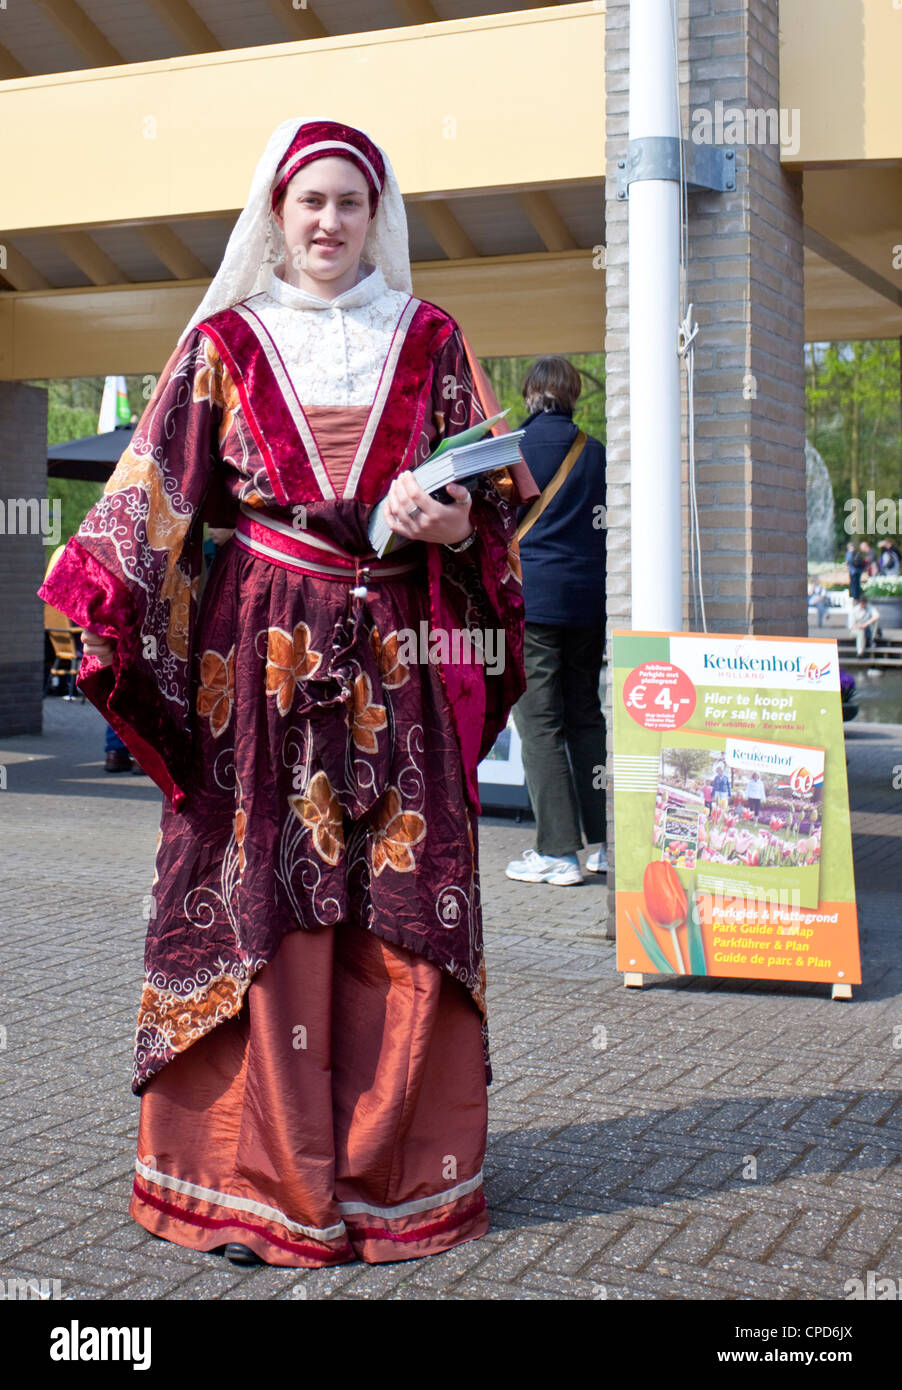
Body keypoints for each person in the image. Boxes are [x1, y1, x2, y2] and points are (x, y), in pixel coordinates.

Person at [37, 117, 537, 1269]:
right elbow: (160, 484)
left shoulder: (433, 339)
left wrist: (452, 520)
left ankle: (392, 1178)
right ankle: (254, 1176)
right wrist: (93, 584)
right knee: (258, 887)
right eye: (307, 201)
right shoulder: (224, 341)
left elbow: (492, 511)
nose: (327, 222)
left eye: (348, 203)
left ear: (377, 216)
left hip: (402, 650)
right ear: (275, 212)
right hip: (253, 657)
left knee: (399, 889)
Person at [504, 356, 607, 887]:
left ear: (529, 395)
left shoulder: (508, 451)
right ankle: (606, 842)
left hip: (534, 604)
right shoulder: (598, 453)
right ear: (572, 396)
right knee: (586, 714)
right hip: (590, 603)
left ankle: (558, 852)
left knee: (539, 721)